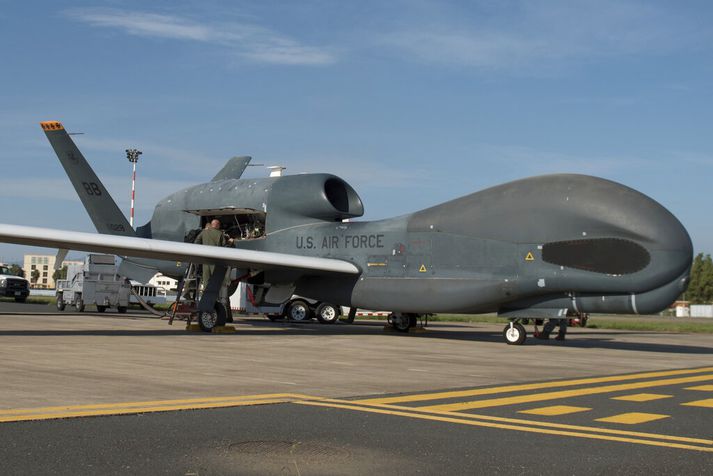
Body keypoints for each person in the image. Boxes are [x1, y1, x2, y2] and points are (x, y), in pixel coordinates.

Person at [194, 219, 231, 290]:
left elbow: (196, 242)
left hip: (205, 259)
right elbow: (224, 246)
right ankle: (214, 295)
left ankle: (205, 294)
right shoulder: (220, 234)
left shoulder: (204, 232)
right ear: (217, 225)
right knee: (215, 279)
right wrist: (230, 242)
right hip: (215, 260)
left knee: (206, 279)